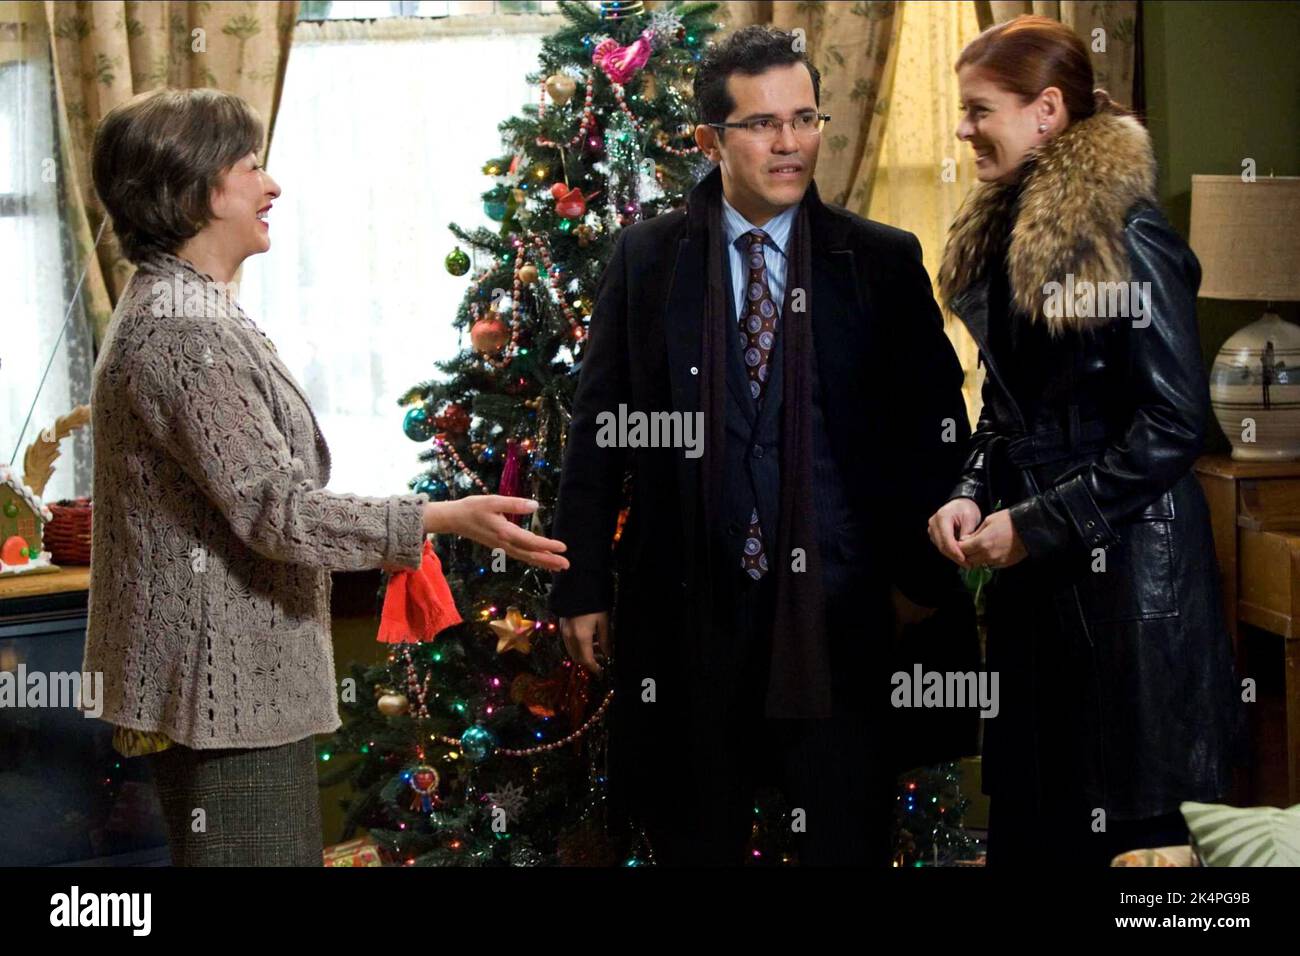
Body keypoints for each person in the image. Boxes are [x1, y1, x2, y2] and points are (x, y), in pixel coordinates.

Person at [84, 87, 568, 866]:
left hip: (230, 688)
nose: (271, 186)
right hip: (225, 697)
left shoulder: (192, 307)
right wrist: (439, 518)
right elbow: (276, 512)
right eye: (251, 167)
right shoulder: (181, 329)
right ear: (198, 186)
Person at [549, 26, 971, 866]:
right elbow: (600, 435)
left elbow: (939, 434)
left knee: (845, 844)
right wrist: (583, 583)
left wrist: (917, 585)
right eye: (762, 124)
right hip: (690, 621)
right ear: (712, 140)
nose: (790, 143)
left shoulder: (880, 262)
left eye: (806, 118)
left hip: (845, 621)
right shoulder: (647, 260)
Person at [928, 15, 1246, 866]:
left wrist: (1034, 525)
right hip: (1037, 589)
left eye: (977, 109)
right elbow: (1006, 411)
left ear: (1048, 110)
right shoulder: (1006, 232)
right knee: (1036, 827)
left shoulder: (1129, 234)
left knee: (1138, 850)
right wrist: (967, 491)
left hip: (1132, 590)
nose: (963, 130)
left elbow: (1175, 425)